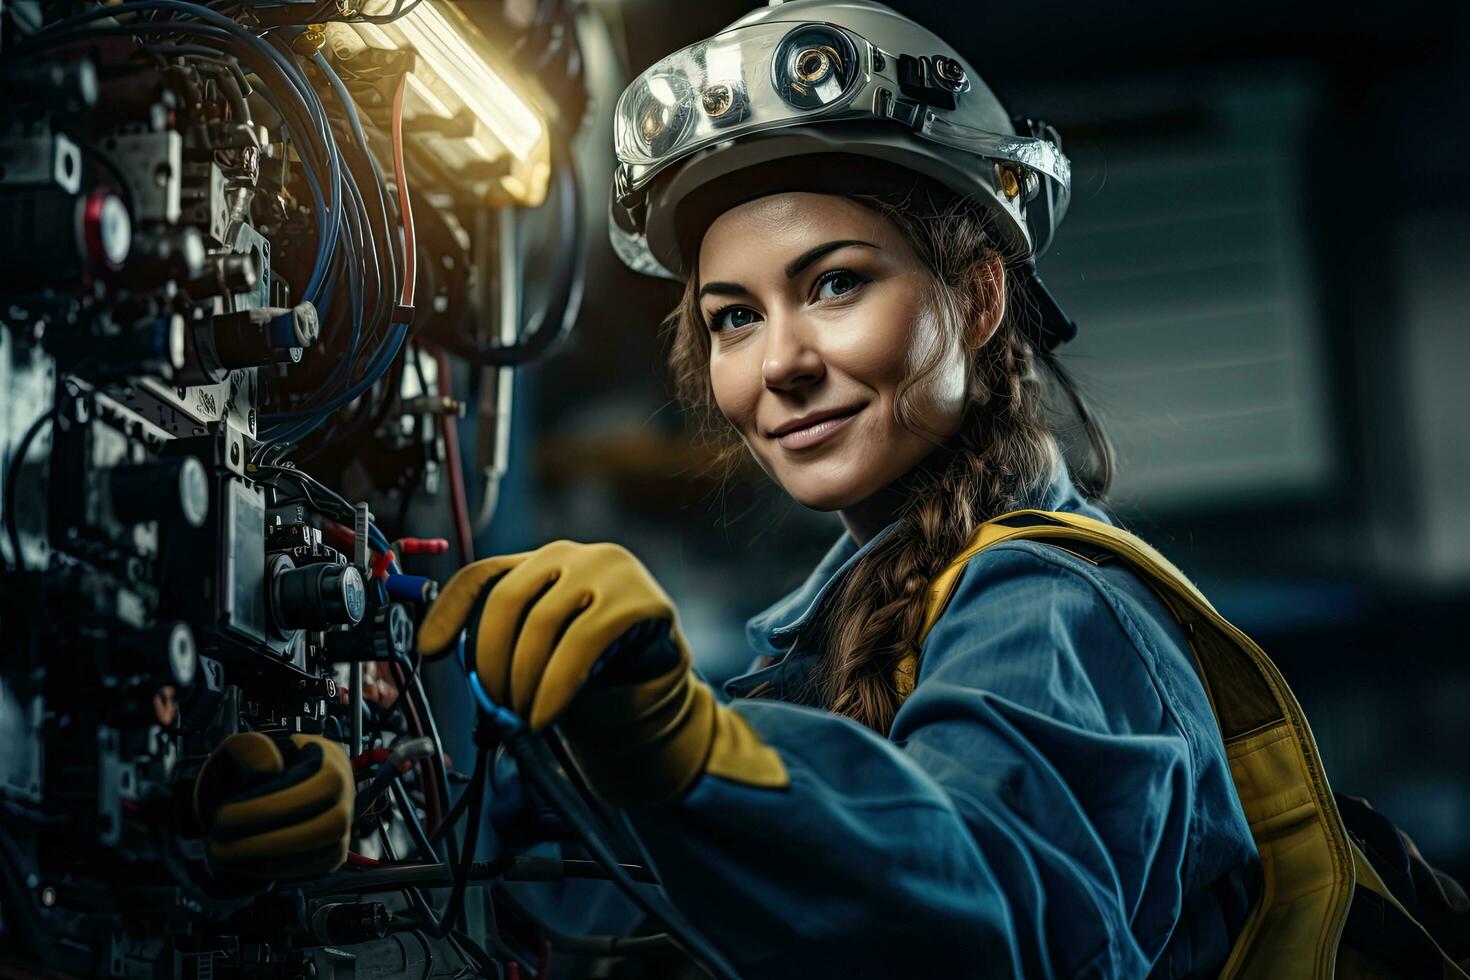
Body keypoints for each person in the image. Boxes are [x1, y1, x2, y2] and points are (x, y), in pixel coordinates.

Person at [414, 2, 1264, 976]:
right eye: (734, 315)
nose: (780, 361)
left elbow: (985, 918)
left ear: (980, 297)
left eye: (834, 284)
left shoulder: (1051, 606)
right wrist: (395, 830)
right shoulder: (810, 650)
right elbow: (630, 899)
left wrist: (693, 754)